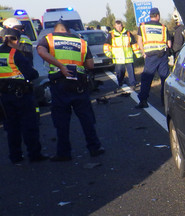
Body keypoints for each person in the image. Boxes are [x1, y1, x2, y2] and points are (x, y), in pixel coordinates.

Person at [36, 22, 104, 161]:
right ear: (68, 30)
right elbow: (90, 65)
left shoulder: (49, 38)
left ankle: (64, 153)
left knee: (62, 120)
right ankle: (94, 147)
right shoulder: (81, 42)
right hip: (79, 85)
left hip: (60, 84)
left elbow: (41, 52)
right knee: (86, 118)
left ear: (57, 30)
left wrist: (60, 66)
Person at [0, 27, 46, 164]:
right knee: (29, 125)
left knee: (11, 127)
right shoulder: (15, 54)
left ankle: (15, 156)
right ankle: (34, 154)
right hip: (21, 95)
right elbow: (31, 74)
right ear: (16, 40)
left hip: (4, 96)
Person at [136, 7, 172, 109]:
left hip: (150, 56)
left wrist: (143, 53)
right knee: (164, 78)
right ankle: (165, 102)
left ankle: (143, 101)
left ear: (150, 16)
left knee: (146, 78)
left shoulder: (143, 26)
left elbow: (139, 41)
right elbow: (169, 44)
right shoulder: (164, 27)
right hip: (162, 56)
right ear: (158, 16)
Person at [103, 20, 141, 89]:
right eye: (117, 26)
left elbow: (134, 44)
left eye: (120, 26)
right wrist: (108, 53)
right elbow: (107, 45)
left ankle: (133, 83)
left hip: (128, 56)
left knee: (131, 71)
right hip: (118, 58)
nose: (119, 28)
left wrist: (138, 53)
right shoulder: (111, 34)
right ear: (115, 26)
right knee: (120, 72)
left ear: (122, 26)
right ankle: (120, 82)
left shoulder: (128, 33)